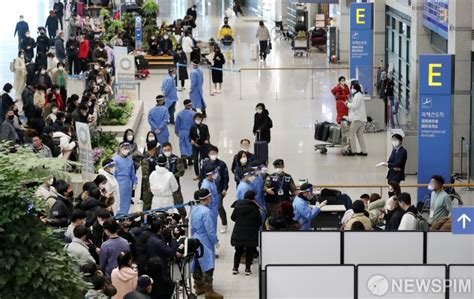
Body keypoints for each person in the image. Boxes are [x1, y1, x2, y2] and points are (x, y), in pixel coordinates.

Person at [190, 189, 223, 298]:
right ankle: (209, 291)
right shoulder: (206, 212)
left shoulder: (194, 209)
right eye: (210, 197)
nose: (211, 199)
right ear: (207, 198)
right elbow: (210, 230)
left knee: (197, 263)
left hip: (195, 239)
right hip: (205, 241)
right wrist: (216, 241)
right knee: (208, 265)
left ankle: (198, 287)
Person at [199, 146, 230, 233]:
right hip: (208, 192)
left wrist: (225, 188)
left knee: (219, 206)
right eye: (211, 153)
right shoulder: (205, 164)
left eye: (215, 153)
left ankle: (224, 223)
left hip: (219, 190)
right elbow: (201, 177)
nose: (213, 155)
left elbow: (226, 177)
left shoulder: (222, 164)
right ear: (208, 154)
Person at [230, 190, 261, 275]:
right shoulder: (255, 209)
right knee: (249, 251)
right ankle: (247, 269)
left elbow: (232, 218)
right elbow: (259, 222)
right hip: (250, 234)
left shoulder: (238, 206)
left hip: (238, 232)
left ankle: (235, 268)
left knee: (238, 251)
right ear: (253, 198)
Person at [161, 142, 187, 218]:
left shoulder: (176, 159)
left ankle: (184, 219)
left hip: (175, 186)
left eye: (168, 150)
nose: (167, 152)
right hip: (164, 187)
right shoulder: (160, 159)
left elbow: (181, 172)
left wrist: (172, 177)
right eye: (165, 150)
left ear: (171, 149)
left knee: (179, 205)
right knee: (164, 207)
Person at [113, 142, 138, 215]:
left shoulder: (130, 161)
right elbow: (113, 173)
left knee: (126, 202)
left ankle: (124, 216)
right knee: (118, 201)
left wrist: (134, 182)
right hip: (118, 184)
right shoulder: (115, 160)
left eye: (127, 148)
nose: (126, 150)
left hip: (128, 185)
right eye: (124, 148)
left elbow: (132, 173)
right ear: (120, 149)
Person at [344, 82, 367, 156]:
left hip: (357, 119)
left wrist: (347, 104)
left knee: (351, 133)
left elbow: (354, 106)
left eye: (352, 88)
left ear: (356, 88)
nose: (352, 89)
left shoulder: (357, 96)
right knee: (360, 136)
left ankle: (353, 151)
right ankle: (364, 151)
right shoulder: (359, 95)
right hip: (361, 119)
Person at [189, 112, 210, 179]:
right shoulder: (192, 127)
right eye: (196, 118)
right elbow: (189, 136)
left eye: (199, 118)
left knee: (202, 160)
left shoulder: (205, 127)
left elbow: (207, 135)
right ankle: (197, 174)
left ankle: (203, 174)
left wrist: (207, 140)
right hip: (195, 145)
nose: (197, 120)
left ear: (201, 119)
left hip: (203, 146)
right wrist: (191, 140)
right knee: (195, 160)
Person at [174, 99, 196, 164]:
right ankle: (190, 160)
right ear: (190, 105)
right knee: (190, 146)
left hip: (182, 132)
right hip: (190, 133)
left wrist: (176, 132)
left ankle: (183, 158)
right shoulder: (194, 114)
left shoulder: (179, 114)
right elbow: (195, 124)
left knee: (182, 145)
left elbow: (177, 124)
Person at [201, 166, 220, 231]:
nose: (216, 174)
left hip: (214, 208)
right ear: (209, 174)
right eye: (214, 172)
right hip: (210, 210)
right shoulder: (206, 185)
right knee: (211, 229)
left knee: (214, 227)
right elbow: (206, 202)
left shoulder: (212, 181)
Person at [141, 141, 158, 211]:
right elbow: (145, 175)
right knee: (147, 205)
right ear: (153, 148)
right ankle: (144, 221)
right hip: (148, 187)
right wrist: (149, 186)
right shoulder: (146, 159)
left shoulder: (154, 157)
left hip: (154, 184)